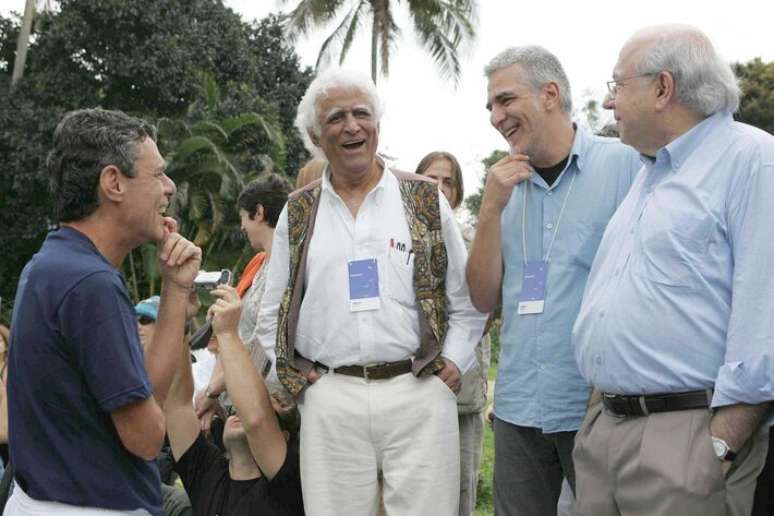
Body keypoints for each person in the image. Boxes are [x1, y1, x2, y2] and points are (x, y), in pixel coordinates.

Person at [255, 67, 487, 516]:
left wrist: (455, 360)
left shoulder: (422, 198)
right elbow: (273, 312)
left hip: (418, 391)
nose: (351, 126)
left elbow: (465, 298)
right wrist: (299, 381)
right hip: (330, 396)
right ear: (315, 136)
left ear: (377, 125)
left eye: (362, 113)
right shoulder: (298, 211)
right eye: (336, 117)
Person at [572, 24, 774, 516]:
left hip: (687, 438)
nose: (607, 102)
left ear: (663, 88)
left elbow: (766, 320)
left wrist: (720, 447)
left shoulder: (754, 162)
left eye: (617, 85)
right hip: (606, 432)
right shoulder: (649, 176)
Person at [465, 46, 640, 516]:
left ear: (549, 94)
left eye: (505, 101)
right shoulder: (501, 188)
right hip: (519, 406)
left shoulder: (626, 166)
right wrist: (488, 211)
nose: (496, 117)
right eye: (490, 108)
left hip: (598, 406)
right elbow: (483, 298)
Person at [5, 108, 201, 515]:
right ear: (113, 182)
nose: (169, 188)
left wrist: (176, 288)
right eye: (158, 174)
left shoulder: (50, 264)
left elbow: (140, 396)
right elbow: (146, 437)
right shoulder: (91, 284)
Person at [164, 284, 303, 516]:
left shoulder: (289, 482)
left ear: (284, 437)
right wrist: (180, 314)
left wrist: (227, 333)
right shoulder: (204, 470)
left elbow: (256, 420)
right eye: (237, 408)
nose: (240, 410)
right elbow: (177, 404)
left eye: (274, 406)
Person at [416, 151, 490, 516]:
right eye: (431, 179)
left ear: (458, 192)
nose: (439, 188)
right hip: (410, 394)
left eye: (448, 181)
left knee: (460, 495)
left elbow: (487, 310)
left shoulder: (475, 242)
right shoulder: (400, 240)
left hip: (461, 394)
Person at [195, 174, 292, 425]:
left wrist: (212, 391)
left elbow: (263, 338)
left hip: (270, 403)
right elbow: (237, 333)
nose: (241, 226)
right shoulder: (258, 264)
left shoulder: (292, 265)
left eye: (242, 217)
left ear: (258, 212)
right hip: (238, 397)